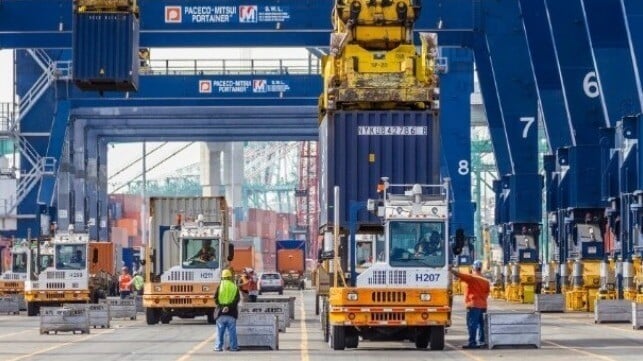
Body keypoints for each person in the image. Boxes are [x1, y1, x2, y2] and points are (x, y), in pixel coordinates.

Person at [451, 260, 490, 349]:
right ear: (481, 268)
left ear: (473, 268)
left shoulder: (472, 278)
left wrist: (450, 269)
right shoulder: (486, 280)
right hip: (483, 305)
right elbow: (487, 293)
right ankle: (482, 342)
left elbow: (459, 275)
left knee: (472, 324)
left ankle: (472, 343)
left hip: (473, 305)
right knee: (481, 324)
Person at [214, 269, 240, 352]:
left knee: (219, 332)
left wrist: (222, 307)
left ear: (222, 277)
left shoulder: (219, 286)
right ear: (230, 277)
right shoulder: (234, 287)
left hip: (220, 314)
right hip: (231, 314)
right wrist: (228, 307)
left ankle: (218, 347)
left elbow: (215, 298)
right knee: (232, 332)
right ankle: (233, 347)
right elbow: (237, 300)